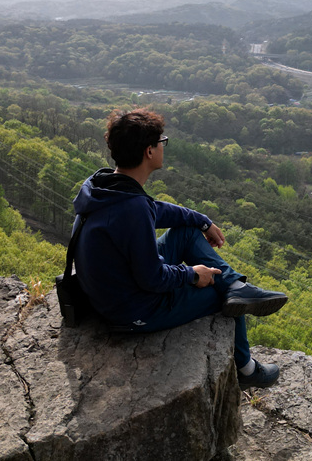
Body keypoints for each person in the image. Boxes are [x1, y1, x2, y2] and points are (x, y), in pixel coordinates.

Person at [72, 108, 287, 389]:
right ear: (149, 151)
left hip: (115, 289)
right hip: (132, 310)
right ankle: (246, 369)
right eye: (162, 141)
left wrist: (201, 220)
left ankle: (235, 285)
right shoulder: (132, 207)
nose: (164, 146)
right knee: (223, 297)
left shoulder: (102, 186)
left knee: (185, 232)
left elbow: (155, 210)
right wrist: (193, 275)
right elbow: (152, 278)